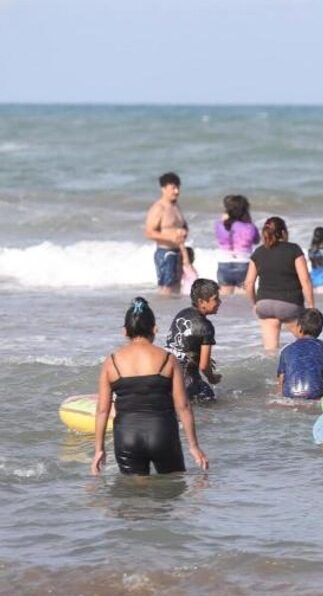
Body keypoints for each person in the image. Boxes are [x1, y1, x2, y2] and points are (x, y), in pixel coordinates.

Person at [92, 297, 208, 476]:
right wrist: (194, 447)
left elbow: (102, 410)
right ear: (155, 329)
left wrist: (99, 450)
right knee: (172, 493)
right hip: (162, 434)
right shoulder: (168, 359)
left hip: (126, 437)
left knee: (135, 498)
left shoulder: (111, 362)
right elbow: (183, 406)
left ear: (124, 331)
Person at [245, 216, 314, 351]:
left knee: (270, 351)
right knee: (309, 343)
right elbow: (305, 280)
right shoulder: (294, 250)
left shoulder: (258, 252)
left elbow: (248, 284)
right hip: (289, 305)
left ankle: (273, 372)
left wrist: (255, 304)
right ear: (283, 233)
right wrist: (311, 306)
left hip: (264, 305)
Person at [165, 279, 223, 401]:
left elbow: (181, 343)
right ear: (201, 302)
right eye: (216, 299)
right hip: (186, 379)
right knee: (210, 401)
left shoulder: (182, 313)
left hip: (166, 372)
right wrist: (212, 378)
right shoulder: (206, 327)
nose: (219, 302)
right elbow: (203, 366)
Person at [277, 308, 323, 399]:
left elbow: (281, 382)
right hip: (315, 397)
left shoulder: (286, 350)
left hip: (289, 397)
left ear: (299, 327)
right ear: (321, 329)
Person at [144, 172, 188, 296]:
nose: (176, 191)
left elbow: (182, 225)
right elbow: (149, 232)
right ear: (163, 189)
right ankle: (163, 313)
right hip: (165, 253)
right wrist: (170, 237)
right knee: (167, 290)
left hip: (177, 252)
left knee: (177, 290)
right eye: (173, 188)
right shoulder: (159, 208)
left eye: (178, 187)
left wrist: (184, 232)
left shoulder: (175, 206)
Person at [214, 194, 260, 295]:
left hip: (224, 262)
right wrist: (249, 221)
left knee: (225, 299)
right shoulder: (250, 227)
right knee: (244, 299)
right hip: (243, 263)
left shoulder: (219, 225)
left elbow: (218, 235)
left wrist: (224, 219)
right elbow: (257, 240)